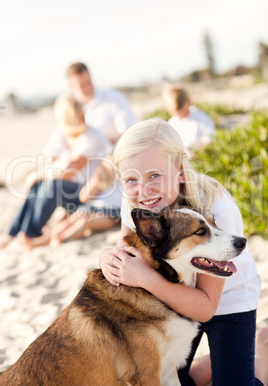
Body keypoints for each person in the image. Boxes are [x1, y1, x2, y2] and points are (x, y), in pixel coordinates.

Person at [99, 118, 267, 386]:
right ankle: (210, 364)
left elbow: (205, 307)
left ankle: (262, 350)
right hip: (170, 295)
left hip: (224, 302)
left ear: (179, 170)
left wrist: (147, 279)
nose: (144, 190)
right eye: (131, 179)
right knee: (171, 377)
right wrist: (108, 256)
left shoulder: (215, 208)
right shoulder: (136, 202)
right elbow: (129, 250)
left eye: (155, 175)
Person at [0, 94, 111, 249]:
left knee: (52, 185)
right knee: (37, 184)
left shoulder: (91, 135)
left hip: (89, 192)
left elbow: (69, 172)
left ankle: (30, 232)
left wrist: (48, 171)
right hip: (69, 189)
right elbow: (48, 161)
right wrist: (44, 173)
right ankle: (12, 233)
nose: (82, 116)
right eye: (78, 113)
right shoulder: (62, 134)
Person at [20, 156, 122, 249]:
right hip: (92, 208)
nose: (111, 174)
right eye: (108, 170)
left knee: (84, 222)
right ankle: (40, 241)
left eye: (113, 171)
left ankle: (62, 238)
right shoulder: (102, 183)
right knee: (71, 220)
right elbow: (83, 197)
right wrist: (96, 179)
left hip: (112, 213)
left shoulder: (124, 184)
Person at [66, 62, 138, 145]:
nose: (87, 87)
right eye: (82, 86)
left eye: (88, 82)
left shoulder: (114, 98)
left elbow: (130, 132)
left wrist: (97, 142)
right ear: (71, 86)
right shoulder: (70, 109)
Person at [162, 86, 215, 158]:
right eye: (176, 113)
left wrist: (196, 155)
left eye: (182, 112)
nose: (179, 116)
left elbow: (208, 141)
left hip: (199, 159)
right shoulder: (172, 122)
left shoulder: (202, 118)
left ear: (188, 102)